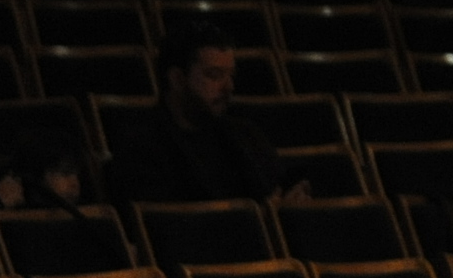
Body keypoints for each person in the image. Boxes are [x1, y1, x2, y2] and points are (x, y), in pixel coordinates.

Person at [102, 20, 305, 205]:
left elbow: (281, 181)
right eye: (214, 75)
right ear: (178, 79)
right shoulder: (141, 145)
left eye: (230, 75)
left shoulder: (243, 133)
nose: (229, 87)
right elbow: (169, 224)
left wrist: (292, 195)